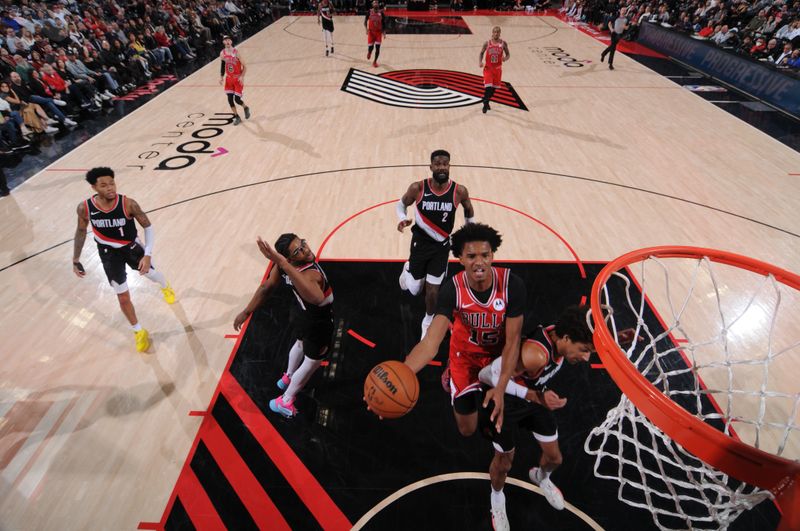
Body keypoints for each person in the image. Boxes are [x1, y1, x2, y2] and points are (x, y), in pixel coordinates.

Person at [402, 222, 525, 531]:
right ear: (459, 258)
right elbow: (431, 342)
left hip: (498, 362)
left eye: (485, 254)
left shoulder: (512, 285)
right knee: (467, 429)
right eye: (471, 256)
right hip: (463, 359)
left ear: (493, 255)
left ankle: (497, 497)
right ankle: (457, 383)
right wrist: (402, 373)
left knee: (506, 450)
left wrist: (499, 387)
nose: (479, 262)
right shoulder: (452, 288)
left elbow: (513, 343)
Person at [478, 305, 596, 514]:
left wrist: (619, 341)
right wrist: (535, 396)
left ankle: (541, 477)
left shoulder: (560, 334)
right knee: (504, 462)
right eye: (584, 350)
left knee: (554, 458)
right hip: (505, 401)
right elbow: (488, 375)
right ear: (566, 339)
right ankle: (496, 498)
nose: (587, 358)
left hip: (533, 397)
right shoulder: (536, 355)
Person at [72, 167, 176, 353]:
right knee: (122, 296)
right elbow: (81, 231)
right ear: (93, 187)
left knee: (151, 274)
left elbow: (148, 227)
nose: (110, 188)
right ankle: (138, 331)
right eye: (104, 185)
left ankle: (165, 286)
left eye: (112, 183)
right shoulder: (84, 208)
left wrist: (148, 254)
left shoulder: (128, 204)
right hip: (107, 253)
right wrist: (76, 258)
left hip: (131, 248)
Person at [233, 234, 334, 418]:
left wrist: (247, 312)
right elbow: (318, 298)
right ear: (290, 259)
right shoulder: (310, 274)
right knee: (311, 363)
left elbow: (266, 288)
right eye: (298, 251)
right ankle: (285, 400)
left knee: (300, 344)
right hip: (317, 323)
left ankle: (287, 376)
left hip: (300, 315)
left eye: (303, 243)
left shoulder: (283, 266)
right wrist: (283, 263)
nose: (305, 249)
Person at [396, 149, 475, 339]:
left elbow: (469, 211)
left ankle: (428, 319)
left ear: (449, 167)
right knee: (414, 289)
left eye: (445, 164)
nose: (441, 167)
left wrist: (469, 233)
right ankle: (408, 270)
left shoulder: (459, 191)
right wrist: (402, 218)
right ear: (431, 167)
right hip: (420, 244)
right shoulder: (418, 188)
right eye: (437, 164)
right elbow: (401, 204)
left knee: (433, 290)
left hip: (441, 247)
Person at [219, 34, 251, 125]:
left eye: (229, 40)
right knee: (229, 99)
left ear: (231, 41)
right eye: (225, 40)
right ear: (223, 42)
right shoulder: (222, 53)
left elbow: (245, 66)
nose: (227, 41)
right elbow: (222, 65)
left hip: (237, 79)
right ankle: (237, 117)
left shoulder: (236, 52)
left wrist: (242, 76)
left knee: (237, 100)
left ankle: (245, 107)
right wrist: (221, 76)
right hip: (229, 79)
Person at [479, 26, 510, 114]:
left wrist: (505, 58)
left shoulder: (503, 43)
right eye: (495, 32)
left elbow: (508, 54)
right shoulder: (487, 43)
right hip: (488, 69)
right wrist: (480, 62)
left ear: (500, 33)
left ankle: (486, 100)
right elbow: (481, 53)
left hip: (497, 69)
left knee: (493, 90)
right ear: (492, 33)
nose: (496, 33)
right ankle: (485, 104)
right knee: (488, 87)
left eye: (498, 32)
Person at [365, 1, 385, 68]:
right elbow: (365, 21)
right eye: (374, 3)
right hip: (371, 32)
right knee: (371, 48)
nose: (376, 3)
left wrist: (384, 32)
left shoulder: (381, 13)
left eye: (377, 2)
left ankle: (375, 61)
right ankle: (369, 52)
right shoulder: (369, 12)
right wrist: (366, 29)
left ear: (378, 4)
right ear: (372, 5)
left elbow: (384, 23)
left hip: (378, 32)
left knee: (378, 48)